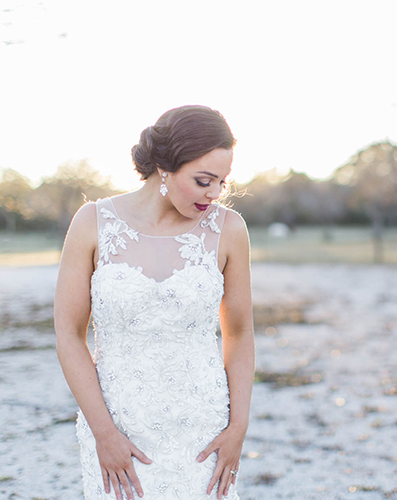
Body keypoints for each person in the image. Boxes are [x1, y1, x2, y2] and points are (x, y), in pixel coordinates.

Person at [54, 105, 255, 500]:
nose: (214, 194)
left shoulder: (229, 229)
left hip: (203, 427)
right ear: (165, 166)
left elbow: (241, 332)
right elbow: (68, 334)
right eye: (203, 181)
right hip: (117, 423)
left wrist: (238, 429)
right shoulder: (92, 222)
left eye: (222, 183)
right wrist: (104, 433)